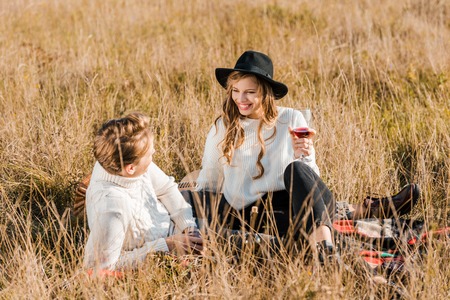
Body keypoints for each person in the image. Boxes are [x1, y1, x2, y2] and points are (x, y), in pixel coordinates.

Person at [180, 50, 420, 261]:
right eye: (236, 91)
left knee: (295, 170)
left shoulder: (292, 119)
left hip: (286, 209)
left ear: (265, 93)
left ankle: (325, 250)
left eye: (249, 92)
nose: (241, 99)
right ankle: (363, 211)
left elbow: (310, 180)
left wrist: (302, 154)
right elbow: (209, 180)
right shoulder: (222, 127)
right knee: (181, 199)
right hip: (244, 213)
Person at [83, 112, 203, 271]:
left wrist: (189, 227)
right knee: (235, 242)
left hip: (178, 227)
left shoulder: (122, 161)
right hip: (169, 249)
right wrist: (167, 245)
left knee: (223, 202)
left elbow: (167, 189)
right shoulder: (112, 210)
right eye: (150, 155)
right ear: (130, 168)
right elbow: (101, 269)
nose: (154, 154)